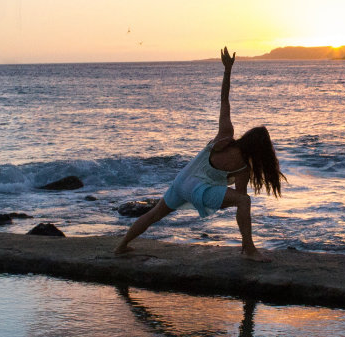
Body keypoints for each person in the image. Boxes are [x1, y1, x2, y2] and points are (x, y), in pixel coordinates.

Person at [114, 47, 285, 262]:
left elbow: (225, 101)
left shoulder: (225, 137)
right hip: (197, 189)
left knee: (154, 215)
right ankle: (249, 250)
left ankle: (121, 246)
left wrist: (227, 71)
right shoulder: (243, 168)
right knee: (245, 201)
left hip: (181, 181)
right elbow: (241, 203)